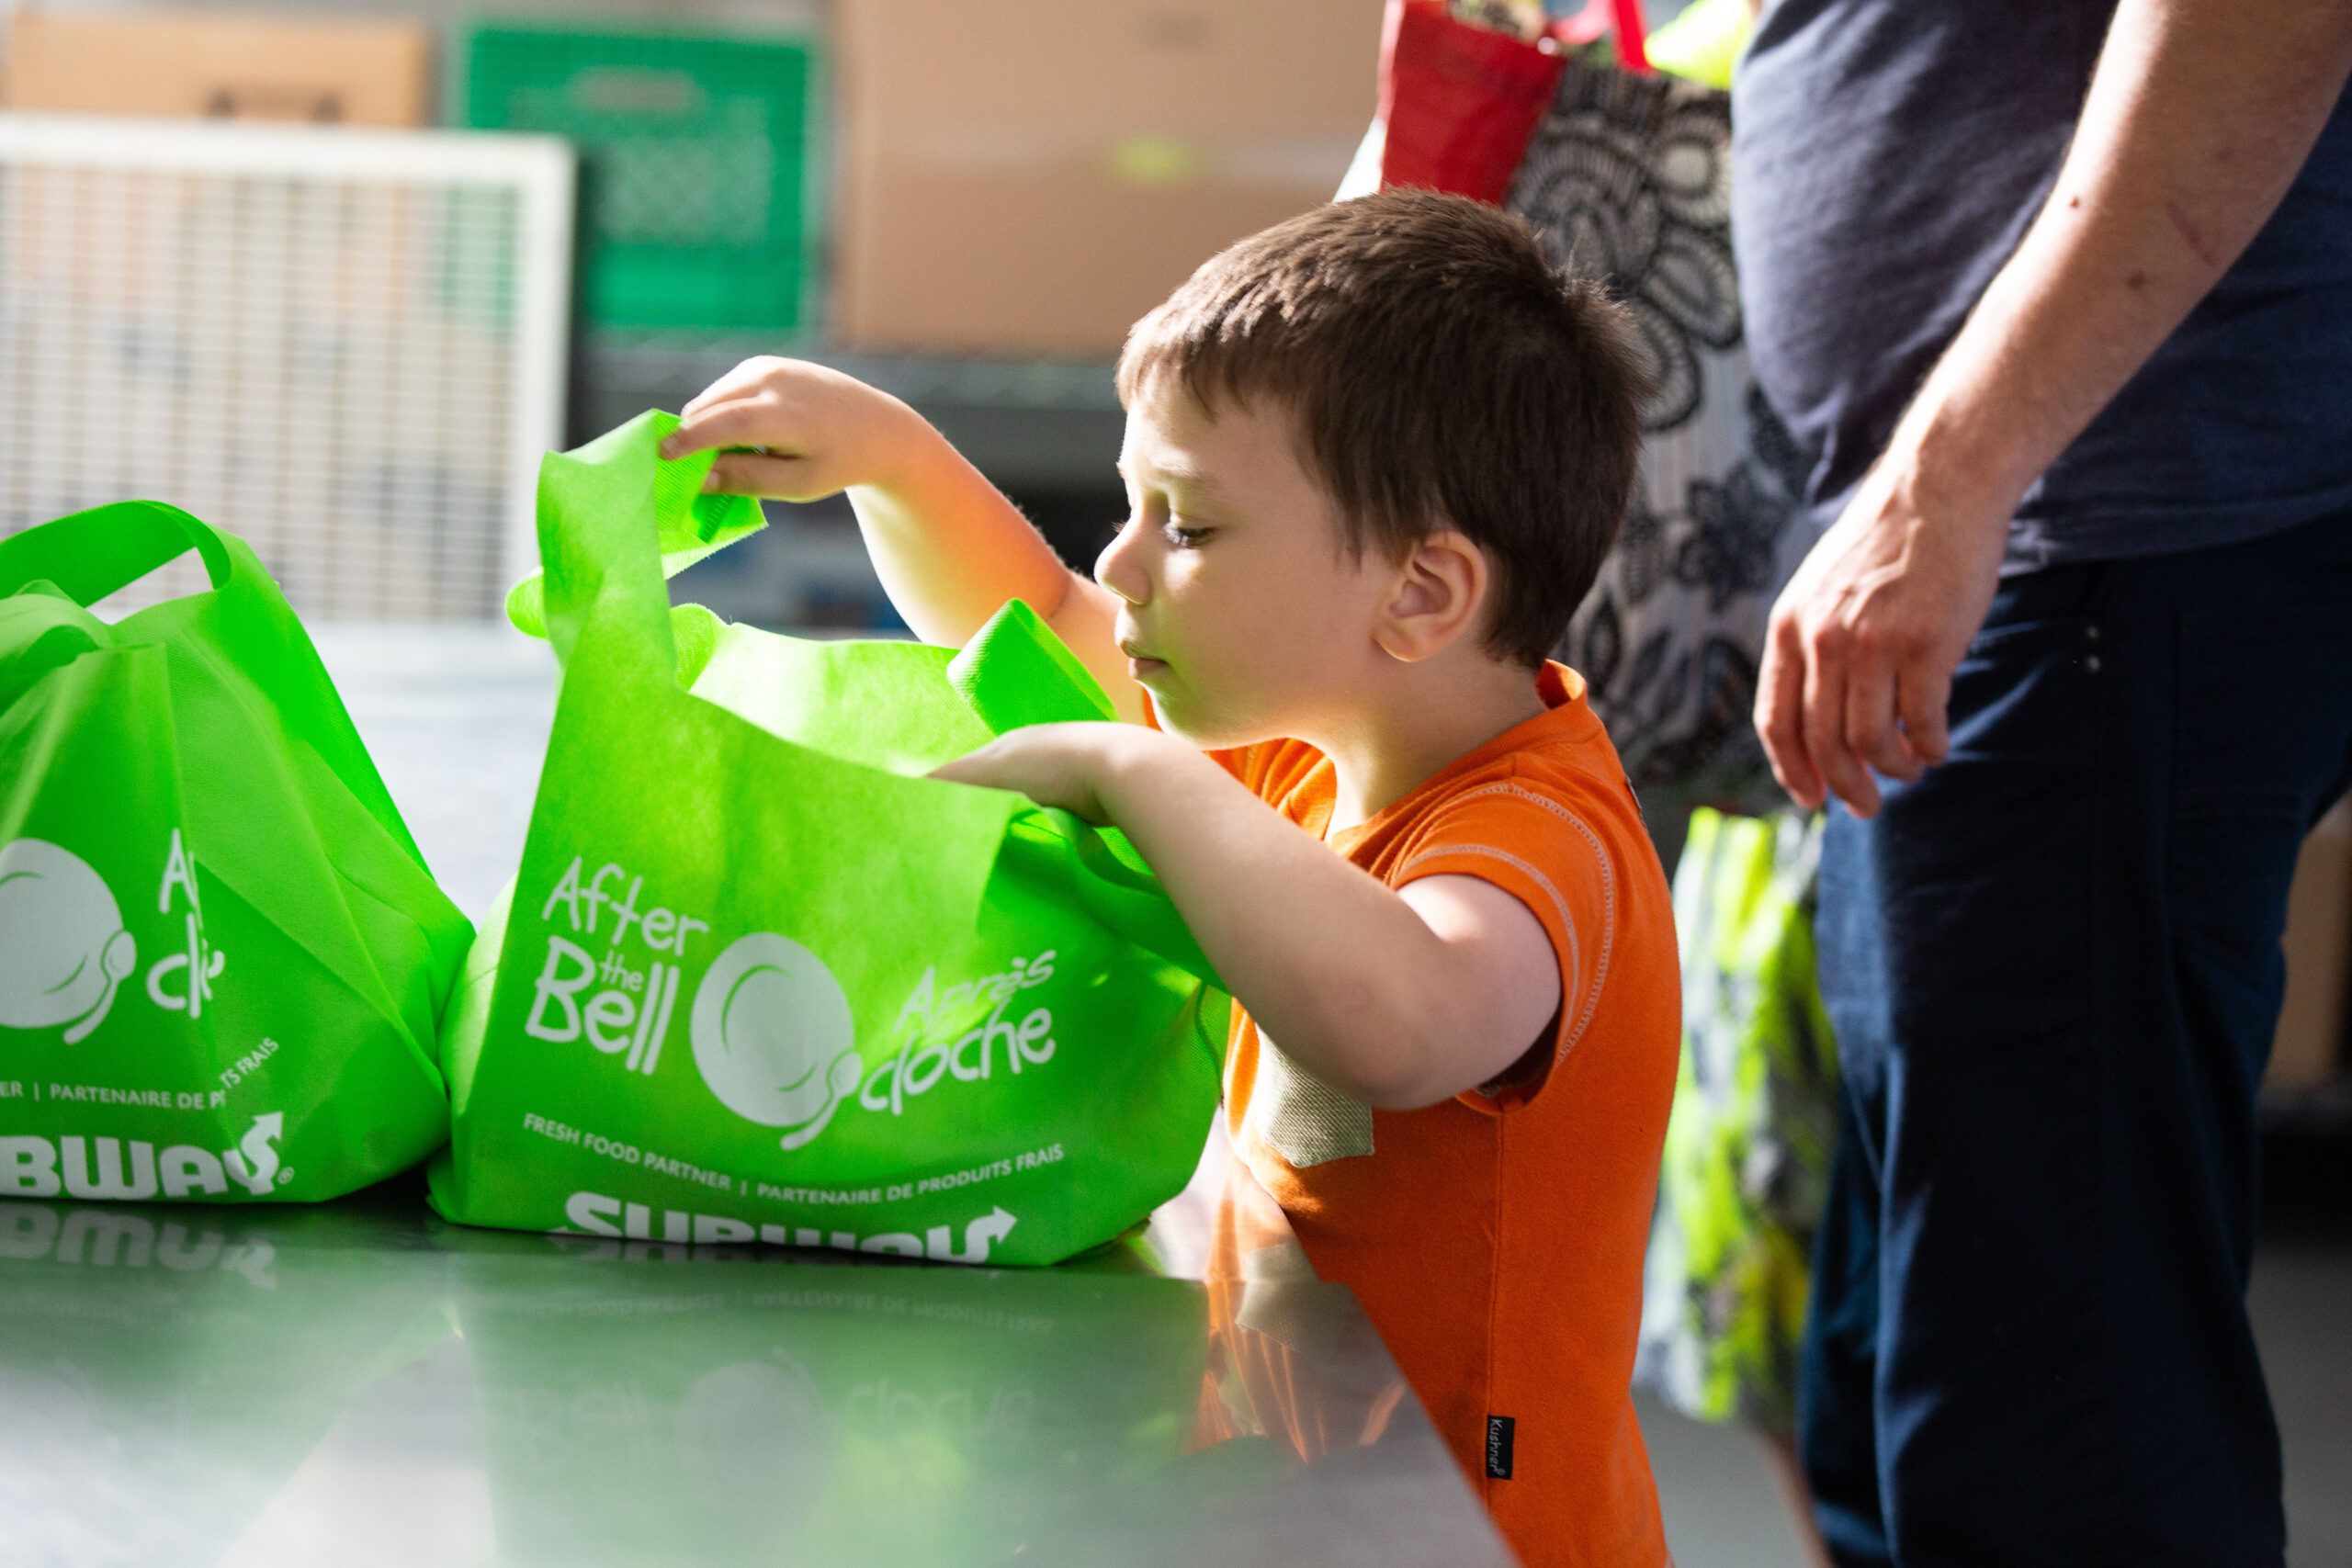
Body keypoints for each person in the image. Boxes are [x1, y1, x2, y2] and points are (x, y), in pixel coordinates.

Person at [662, 188, 1682, 1568]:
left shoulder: (1540, 841)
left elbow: (1406, 1018)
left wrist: (1134, 775)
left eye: (1187, 527)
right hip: (1293, 1506)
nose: (1121, 561)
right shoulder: (1312, 747)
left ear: (1423, 596)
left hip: (1473, 1538)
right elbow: (1049, 623)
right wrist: (888, 459)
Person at [1732, 0, 2352, 1562]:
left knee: (2058, 1428)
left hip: (2095, 544)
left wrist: (1955, 476)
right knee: (1908, 1384)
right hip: (2021, 557)